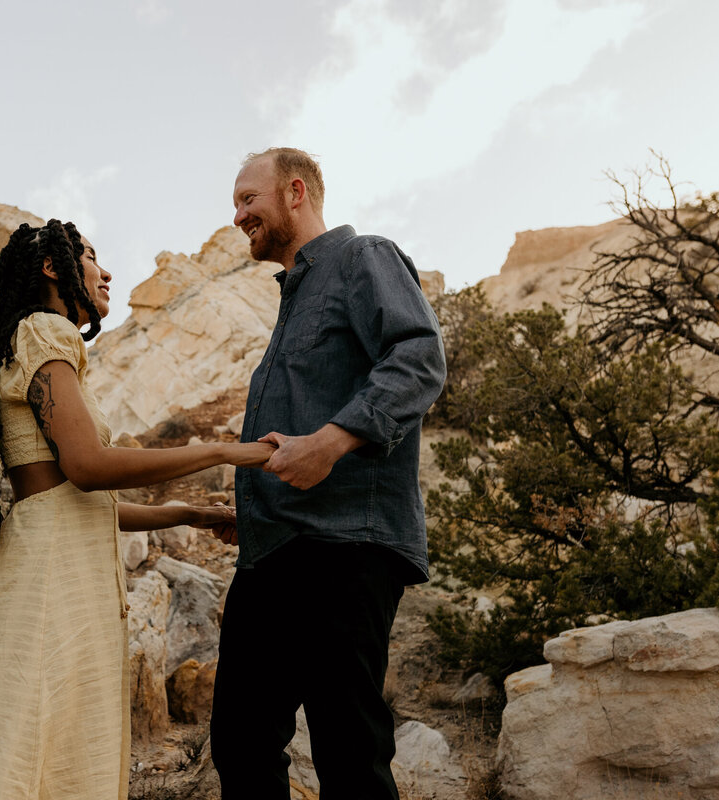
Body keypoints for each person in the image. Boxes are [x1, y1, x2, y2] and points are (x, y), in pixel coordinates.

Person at [0, 219, 274, 800]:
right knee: (41, 750)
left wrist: (187, 514)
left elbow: (81, 505)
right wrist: (221, 450)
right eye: (91, 256)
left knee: (50, 748)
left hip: (56, 562)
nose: (106, 271)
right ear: (52, 268)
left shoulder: (33, 339)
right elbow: (88, 466)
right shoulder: (45, 332)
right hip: (50, 579)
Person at [210, 148, 447, 799]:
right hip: (273, 552)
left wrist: (333, 440)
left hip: (347, 545)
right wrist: (252, 504)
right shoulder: (292, 300)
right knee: (239, 741)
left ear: (293, 193)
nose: (237, 216)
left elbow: (420, 357)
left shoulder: (362, 257)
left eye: (246, 199)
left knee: (348, 750)